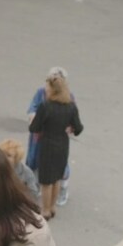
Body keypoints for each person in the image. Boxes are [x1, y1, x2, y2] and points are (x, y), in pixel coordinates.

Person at [28, 72, 83, 220]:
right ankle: (52, 207)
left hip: (47, 145)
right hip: (62, 145)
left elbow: (34, 128)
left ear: (52, 89)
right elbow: (78, 128)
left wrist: (37, 122)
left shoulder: (46, 106)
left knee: (46, 181)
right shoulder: (70, 106)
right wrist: (70, 128)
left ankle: (45, 210)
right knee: (57, 178)